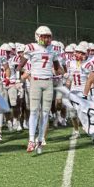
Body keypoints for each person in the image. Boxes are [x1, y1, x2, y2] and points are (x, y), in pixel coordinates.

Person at [17, 26, 63, 154]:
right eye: (44, 36)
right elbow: (20, 65)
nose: (47, 39)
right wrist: (17, 79)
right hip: (35, 81)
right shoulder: (31, 47)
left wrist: (65, 74)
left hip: (48, 81)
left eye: (48, 36)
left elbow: (57, 67)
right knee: (34, 111)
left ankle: (41, 138)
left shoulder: (53, 49)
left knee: (45, 112)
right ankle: (31, 139)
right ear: (37, 37)